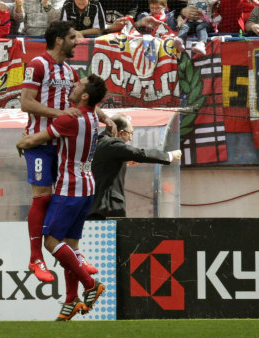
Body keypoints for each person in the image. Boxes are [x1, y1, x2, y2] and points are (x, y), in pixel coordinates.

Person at [20, 20, 115, 283]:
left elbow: (87, 105)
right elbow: (26, 103)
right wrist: (59, 114)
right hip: (40, 143)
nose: (78, 41)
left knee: (63, 201)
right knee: (42, 198)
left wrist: (107, 118)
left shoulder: (69, 71)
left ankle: (73, 259)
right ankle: (35, 257)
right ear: (59, 40)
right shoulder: (37, 65)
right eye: (73, 37)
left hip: (62, 144)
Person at [17, 74, 107, 321]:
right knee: (70, 246)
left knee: (51, 242)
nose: (74, 86)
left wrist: (22, 142)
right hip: (87, 187)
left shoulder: (70, 119)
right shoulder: (91, 118)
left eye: (79, 85)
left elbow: (36, 139)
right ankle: (70, 302)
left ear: (85, 96)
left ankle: (90, 285)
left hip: (69, 188)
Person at [87, 113, 182, 219]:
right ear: (121, 133)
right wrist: (169, 156)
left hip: (91, 206)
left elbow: (102, 167)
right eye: (130, 134)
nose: (130, 139)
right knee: (115, 235)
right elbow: (139, 154)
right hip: (108, 207)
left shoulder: (97, 143)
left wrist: (124, 163)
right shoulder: (112, 144)